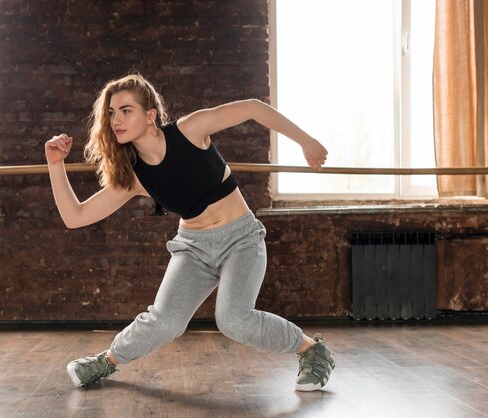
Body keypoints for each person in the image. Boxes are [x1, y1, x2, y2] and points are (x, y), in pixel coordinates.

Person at [45, 73, 334, 392]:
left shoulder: (190, 130)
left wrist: (305, 140)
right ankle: (107, 361)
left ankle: (311, 349)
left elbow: (253, 108)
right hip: (194, 248)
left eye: (126, 110)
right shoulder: (134, 177)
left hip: (240, 239)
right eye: (112, 113)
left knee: (234, 319)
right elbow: (76, 216)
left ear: (150, 115)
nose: (117, 119)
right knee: (165, 320)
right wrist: (55, 164)